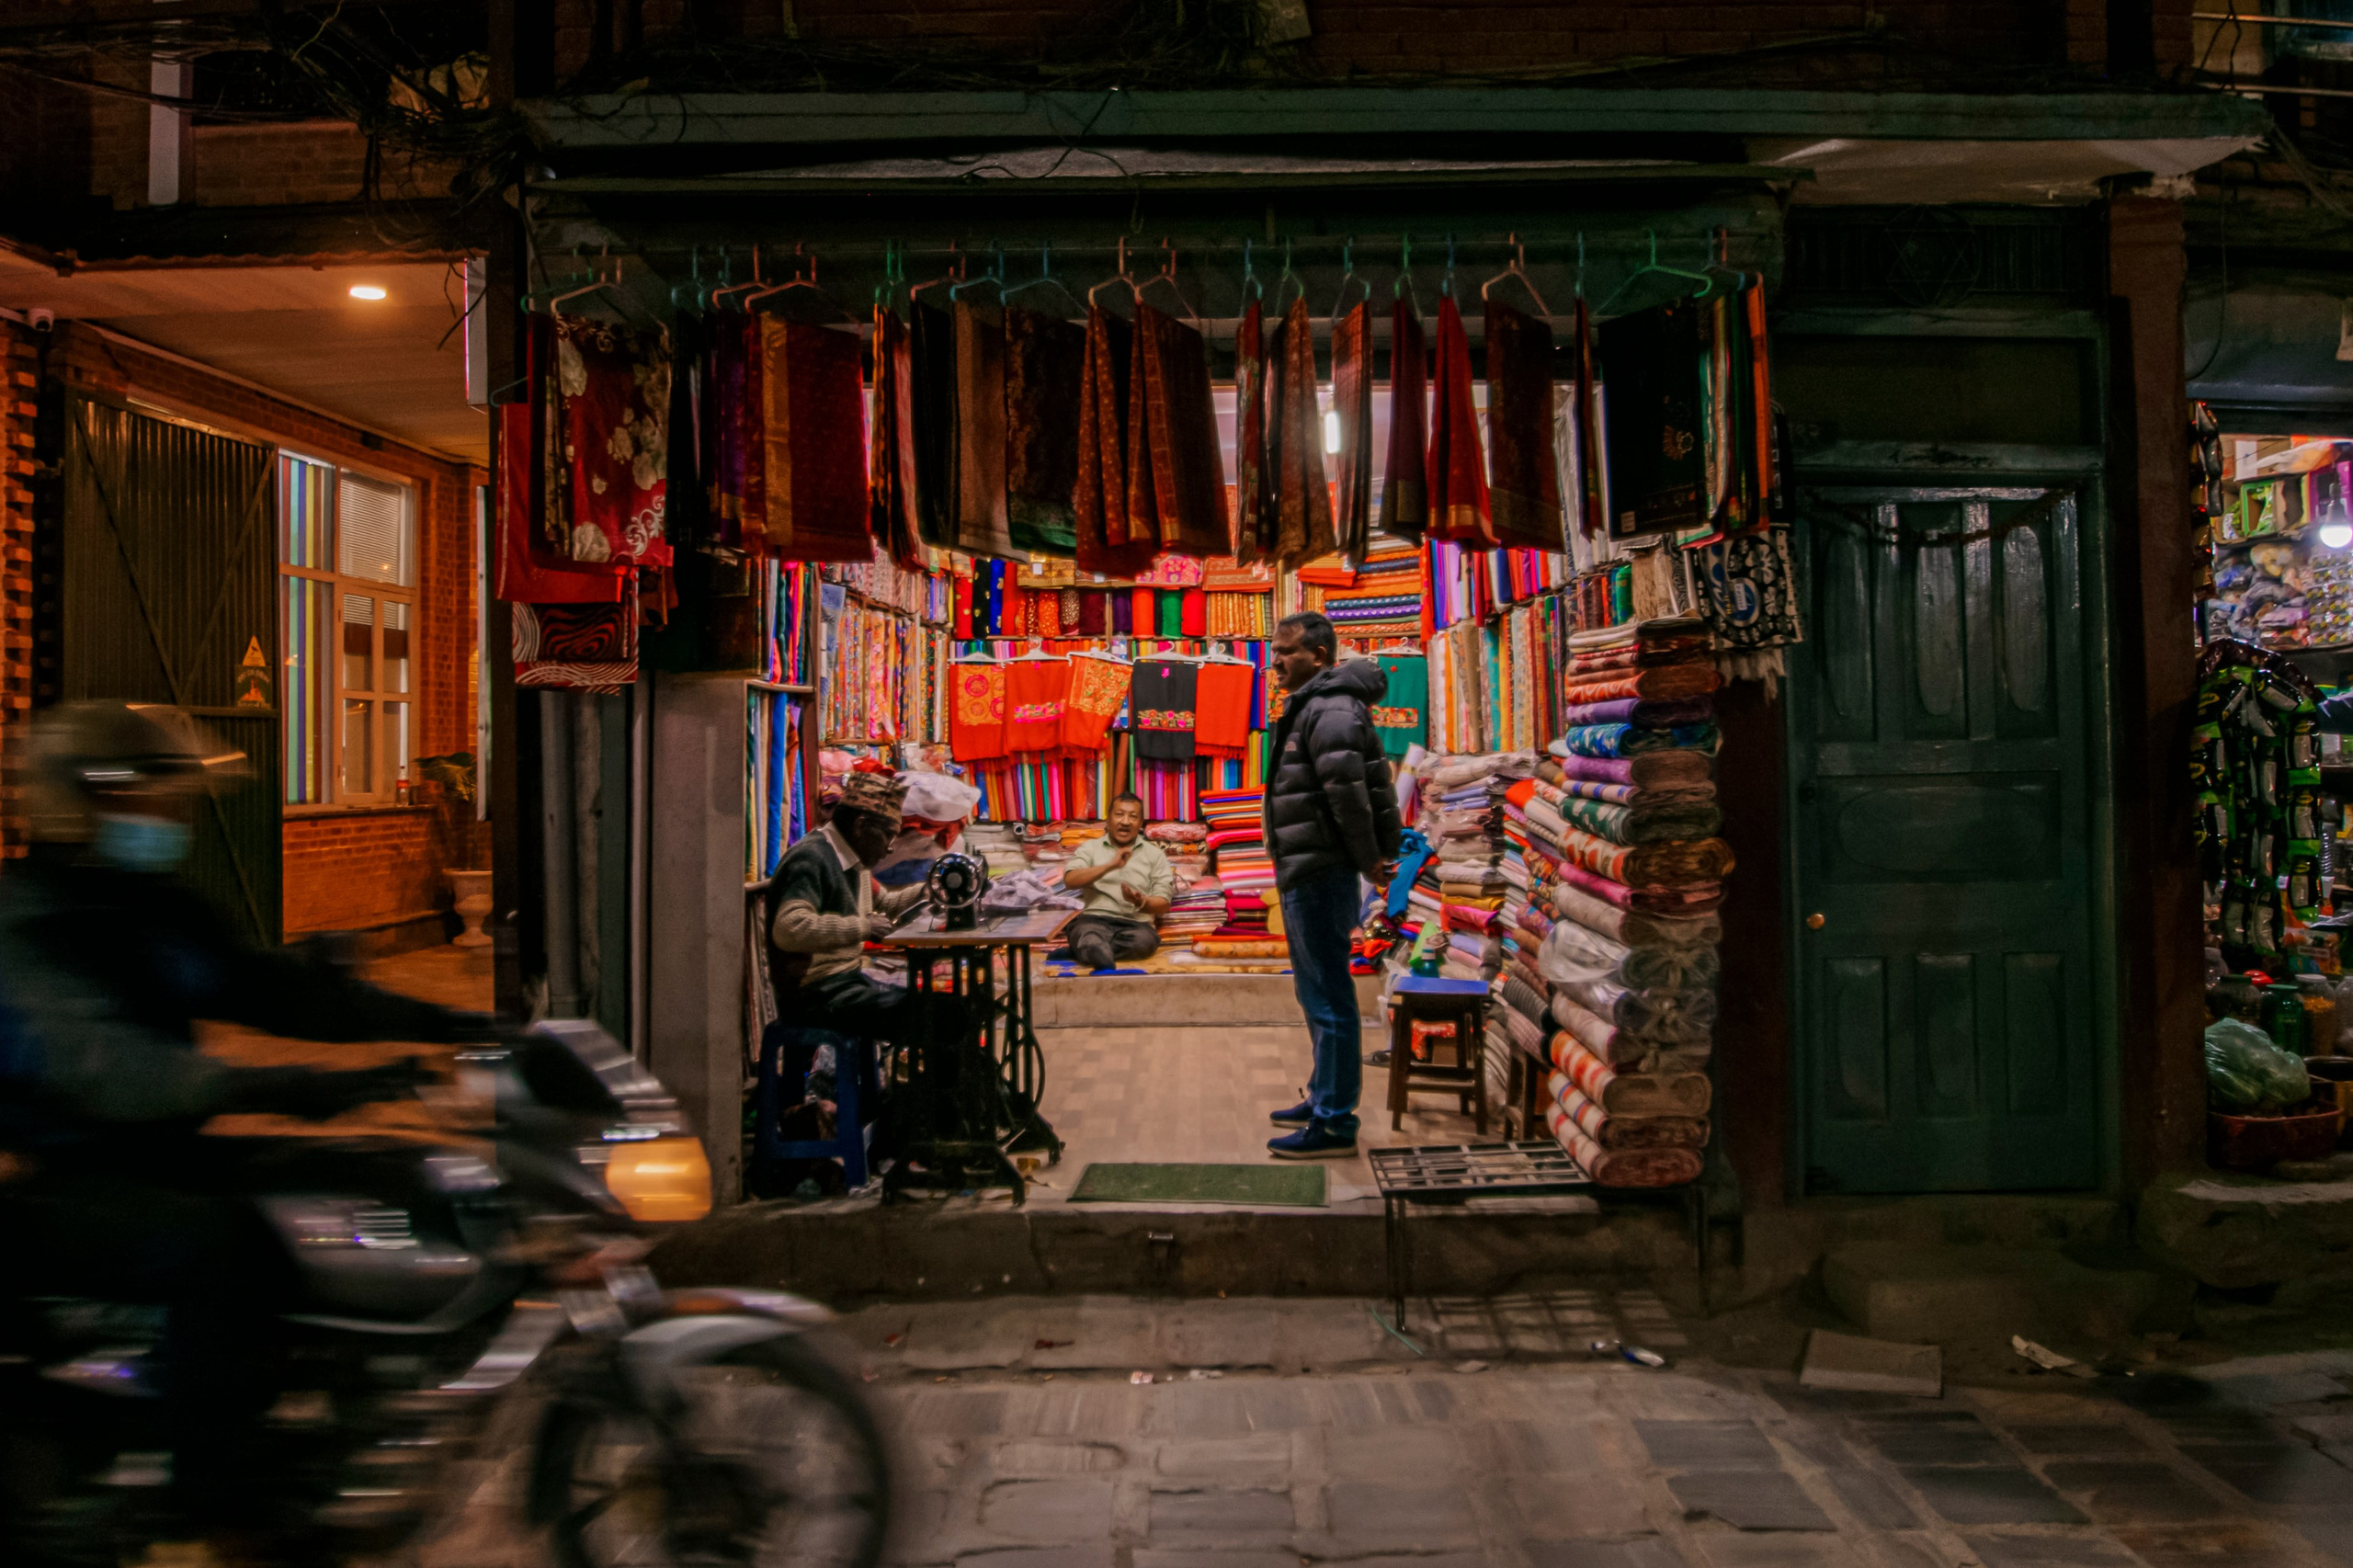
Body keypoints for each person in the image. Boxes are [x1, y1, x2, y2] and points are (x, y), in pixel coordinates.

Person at [0, 702, 489, 1540]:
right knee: (218, 1248)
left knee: (352, 1190)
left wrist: (448, 1029)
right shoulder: (31, 921)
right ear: (86, 804)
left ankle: (330, 1417)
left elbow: (269, 989)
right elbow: (115, 1074)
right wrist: (294, 1088)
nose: (170, 819)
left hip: (164, 1155)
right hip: (72, 1177)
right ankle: (220, 1491)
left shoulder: (154, 905)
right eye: (150, 802)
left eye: (172, 802)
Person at [1260, 612, 1403, 1159]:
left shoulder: (1331, 710)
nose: (1277, 661)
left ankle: (1335, 1121)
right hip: (1309, 865)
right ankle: (1324, 1096)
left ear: (1319, 657)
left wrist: (1370, 863)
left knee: (1329, 996)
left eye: (1287, 651)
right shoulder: (1319, 705)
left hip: (1321, 869)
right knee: (1316, 990)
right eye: (1276, 651)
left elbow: (1350, 796)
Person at [767, 769, 960, 1044]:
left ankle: (951, 1085)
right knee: (938, 1014)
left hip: (844, 983)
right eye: (888, 835)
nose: (891, 848)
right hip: (812, 995)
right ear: (861, 825)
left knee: (949, 1005)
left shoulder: (853, 860)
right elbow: (789, 928)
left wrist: (928, 892)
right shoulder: (811, 858)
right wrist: (863, 927)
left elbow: (887, 905)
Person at [1059, 792, 1172, 970]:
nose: (1125, 822)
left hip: (1135, 924)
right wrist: (1111, 865)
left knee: (1143, 943)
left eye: (1133, 816)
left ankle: (1089, 952)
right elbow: (1070, 880)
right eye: (1119, 814)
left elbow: (1164, 903)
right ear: (1108, 819)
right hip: (1094, 919)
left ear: (1140, 823)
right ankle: (1091, 948)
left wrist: (1141, 901)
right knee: (1088, 934)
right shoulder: (1090, 848)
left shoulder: (1155, 855)